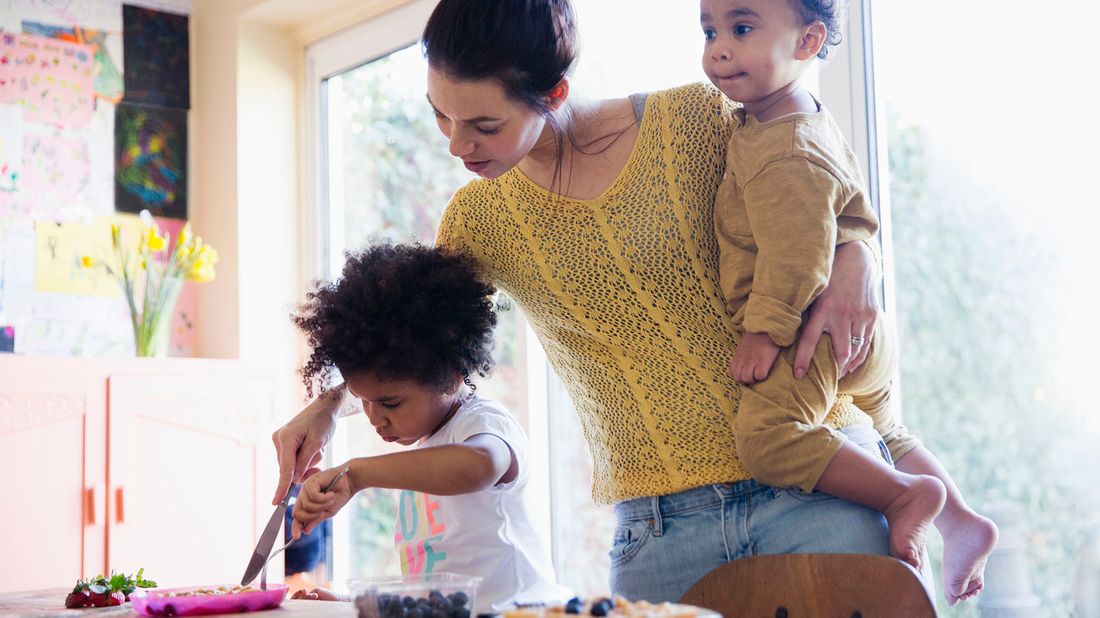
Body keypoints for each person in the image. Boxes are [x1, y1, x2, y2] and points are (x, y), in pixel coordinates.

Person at [274, 0, 890, 603]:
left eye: (485, 125)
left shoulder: (695, 120)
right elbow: (412, 351)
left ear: (556, 94)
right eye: (442, 117)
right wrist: (331, 403)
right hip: (660, 532)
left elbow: (812, 173)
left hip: (816, 486)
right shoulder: (478, 219)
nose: (457, 146)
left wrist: (859, 250)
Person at [701, 0, 998, 605]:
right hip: (864, 330)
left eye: (742, 28)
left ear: (808, 43)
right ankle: (961, 520)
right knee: (888, 424)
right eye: (709, 31)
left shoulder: (784, 150)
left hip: (813, 330)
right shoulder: (794, 114)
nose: (719, 48)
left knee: (767, 437)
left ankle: (902, 496)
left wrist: (764, 332)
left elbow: (796, 256)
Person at [284, 242, 572, 613]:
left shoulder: (482, 423)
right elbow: (439, 581)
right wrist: (360, 600)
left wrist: (356, 475)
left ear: (450, 376)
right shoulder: (426, 447)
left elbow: (480, 466)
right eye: (364, 399)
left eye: (390, 402)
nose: (374, 417)